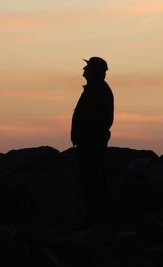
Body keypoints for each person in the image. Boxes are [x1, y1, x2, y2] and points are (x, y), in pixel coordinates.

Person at [71, 57, 114, 224]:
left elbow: (100, 120)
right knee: (93, 180)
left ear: (95, 71)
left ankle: (99, 219)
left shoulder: (98, 91)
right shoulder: (95, 89)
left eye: (88, 67)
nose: (84, 69)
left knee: (94, 180)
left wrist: (88, 138)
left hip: (92, 144)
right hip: (89, 143)